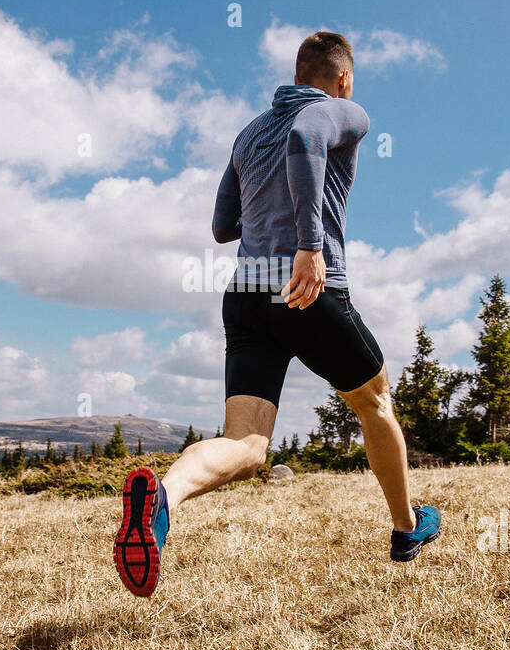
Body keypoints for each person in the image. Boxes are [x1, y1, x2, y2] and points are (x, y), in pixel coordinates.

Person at [114, 31, 440, 597]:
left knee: (246, 446)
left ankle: (163, 499)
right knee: (375, 401)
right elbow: (309, 134)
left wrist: (266, 210)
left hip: (245, 296)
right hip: (306, 289)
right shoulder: (342, 112)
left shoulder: (248, 134)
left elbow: (222, 226)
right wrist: (309, 245)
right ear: (341, 79)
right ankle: (406, 529)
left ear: (295, 73)